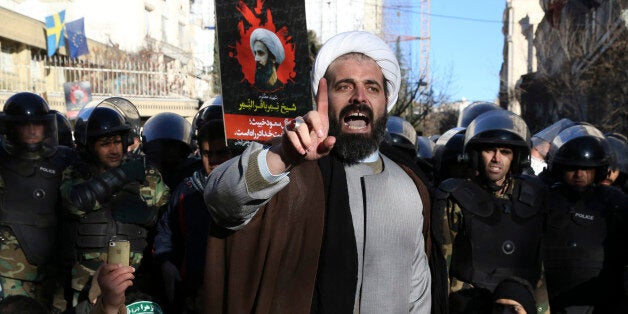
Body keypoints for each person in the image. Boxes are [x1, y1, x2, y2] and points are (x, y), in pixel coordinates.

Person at [202, 30, 433, 313]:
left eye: (372, 88)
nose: (359, 97)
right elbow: (220, 201)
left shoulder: (411, 186)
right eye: (345, 86)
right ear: (323, 98)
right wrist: (282, 157)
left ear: (386, 102)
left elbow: (418, 293)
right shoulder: (292, 168)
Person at [432, 109, 549, 313]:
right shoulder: (456, 197)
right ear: (477, 155)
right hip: (467, 301)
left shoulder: (532, 198)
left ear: (515, 158)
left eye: (505, 152)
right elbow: (442, 263)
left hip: (518, 304)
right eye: (490, 151)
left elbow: (538, 270)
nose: (496, 158)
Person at [59, 103, 170, 310]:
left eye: (118, 142)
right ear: (91, 147)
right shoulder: (76, 174)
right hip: (87, 281)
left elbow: (164, 209)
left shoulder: (146, 174)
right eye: (105, 143)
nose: (114, 150)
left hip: (135, 281)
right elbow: (74, 203)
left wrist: (147, 213)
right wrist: (123, 175)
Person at [0, 92, 75, 310]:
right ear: (12, 128)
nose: (32, 131)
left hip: (58, 270)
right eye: (25, 125)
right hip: (12, 271)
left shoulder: (65, 160)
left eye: (37, 125)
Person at [542, 123, 628, 312]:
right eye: (573, 168)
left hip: (602, 299)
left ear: (598, 170)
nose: (579, 175)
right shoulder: (545, 199)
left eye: (586, 169)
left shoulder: (613, 201)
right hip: (553, 299)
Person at [154, 119, 232, 313]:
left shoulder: (250, 190)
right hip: (194, 288)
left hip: (234, 286)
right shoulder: (186, 190)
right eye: (207, 153)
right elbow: (167, 231)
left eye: (220, 153)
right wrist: (167, 264)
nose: (213, 160)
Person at [250, 28, 285, 92]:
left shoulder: (284, 90)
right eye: (255, 53)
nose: (256, 59)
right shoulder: (252, 90)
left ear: (273, 58)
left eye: (260, 53)